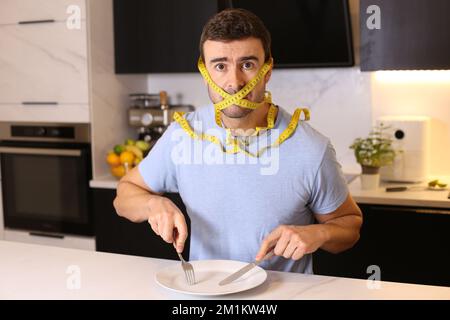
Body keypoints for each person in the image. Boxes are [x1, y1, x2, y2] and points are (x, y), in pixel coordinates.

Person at [114, 8, 362, 274]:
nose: (234, 82)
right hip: (205, 296)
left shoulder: (311, 148)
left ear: (267, 70)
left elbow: (350, 226)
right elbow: (124, 195)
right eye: (220, 66)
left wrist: (318, 234)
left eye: (247, 64)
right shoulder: (182, 135)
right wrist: (153, 204)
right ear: (204, 71)